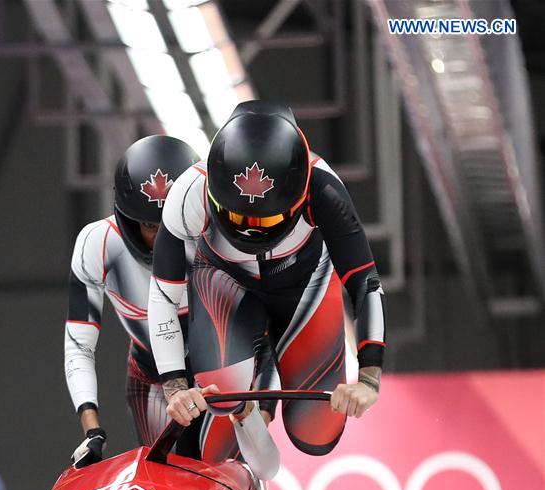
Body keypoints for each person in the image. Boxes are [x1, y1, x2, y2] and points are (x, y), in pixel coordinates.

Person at [148, 101, 386, 464]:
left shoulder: (323, 188)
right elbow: (164, 294)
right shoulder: (188, 192)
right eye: (235, 214)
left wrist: (369, 378)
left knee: (317, 434)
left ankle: (263, 374)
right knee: (221, 408)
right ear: (213, 191)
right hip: (223, 284)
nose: (248, 227)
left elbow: (365, 282)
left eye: (266, 219)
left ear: (297, 201)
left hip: (305, 288)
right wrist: (175, 386)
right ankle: (249, 398)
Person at [64, 134, 200, 467]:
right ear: (127, 219)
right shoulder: (97, 243)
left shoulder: (214, 237)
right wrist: (92, 430)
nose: (165, 238)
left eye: (176, 223)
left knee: (222, 475)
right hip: (150, 377)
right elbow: (79, 345)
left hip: (216, 376)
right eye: (152, 226)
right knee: (165, 478)